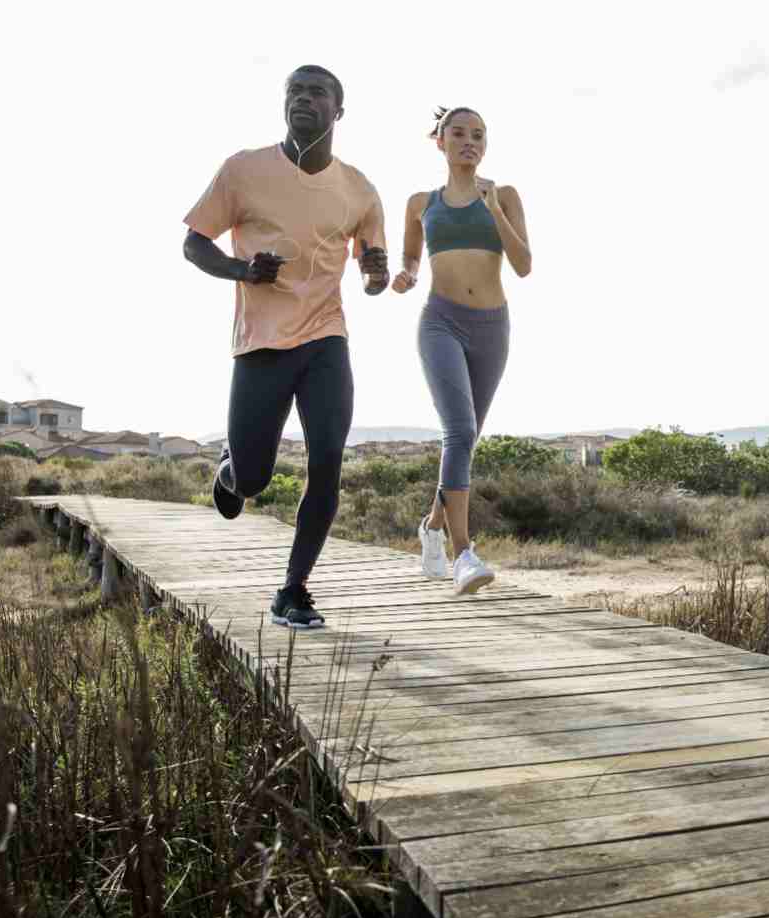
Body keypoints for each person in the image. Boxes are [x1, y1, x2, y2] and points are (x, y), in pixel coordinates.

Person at [182, 65, 389, 628]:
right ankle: (231, 472)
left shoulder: (359, 189)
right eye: (294, 90)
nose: (302, 98)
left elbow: (372, 278)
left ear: (337, 111)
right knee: (254, 478)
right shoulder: (243, 170)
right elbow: (194, 243)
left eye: (316, 91)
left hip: (326, 338)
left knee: (327, 460)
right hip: (261, 345)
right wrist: (242, 270)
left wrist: (374, 273)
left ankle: (293, 590)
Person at [393, 106, 531, 594]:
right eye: (459, 134)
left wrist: (493, 209)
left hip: (492, 326)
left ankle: (431, 528)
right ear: (441, 142)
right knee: (460, 430)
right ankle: (463, 554)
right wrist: (407, 274)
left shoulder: (505, 195)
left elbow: (525, 265)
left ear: (485, 145)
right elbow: (411, 254)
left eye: (478, 135)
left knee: (466, 440)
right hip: (440, 321)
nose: (469, 141)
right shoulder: (419, 202)